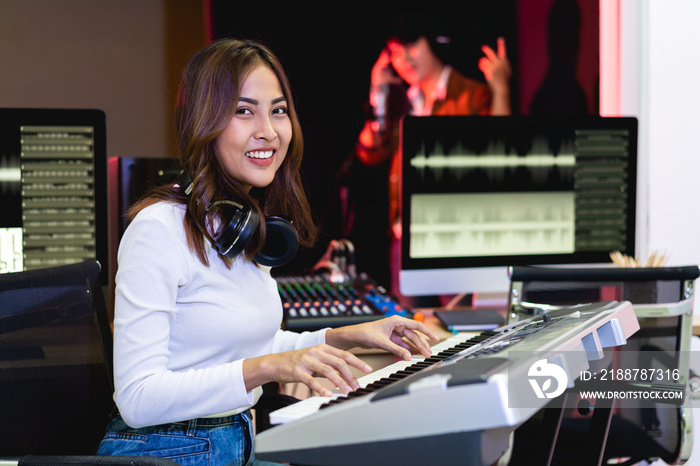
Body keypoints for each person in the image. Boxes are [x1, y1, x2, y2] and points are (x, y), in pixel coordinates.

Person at [97, 38, 439, 466]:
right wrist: (271, 367)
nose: (269, 130)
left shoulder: (241, 224)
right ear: (205, 122)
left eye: (278, 110)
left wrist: (343, 336)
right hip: (166, 453)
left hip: (233, 445)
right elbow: (137, 397)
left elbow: (249, 342)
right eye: (244, 111)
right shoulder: (158, 230)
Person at [348, 16, 512, 304]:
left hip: (454, 237)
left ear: (432, 41)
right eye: (395, 51)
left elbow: (502, 154)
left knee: (461, 330)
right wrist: (378, 95)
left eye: (411, 45)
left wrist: (500, 90)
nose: (405, 57)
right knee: (411, 335)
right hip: (405, 237)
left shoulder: (470, 94)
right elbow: (369, 152)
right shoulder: (402, 102)